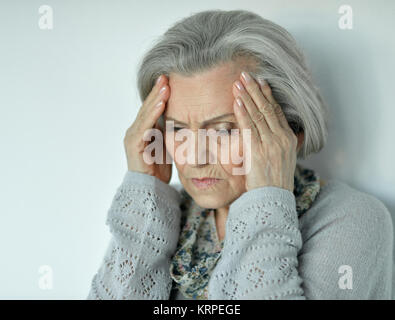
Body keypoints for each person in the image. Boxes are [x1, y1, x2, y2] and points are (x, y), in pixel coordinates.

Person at [87, 9, 393, 300]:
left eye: (223, 131)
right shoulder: (161, 214)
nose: (195, 158)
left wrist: (266, 198)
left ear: (290, 131)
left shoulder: (351, 218)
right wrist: (145, 192)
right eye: (178, 129)